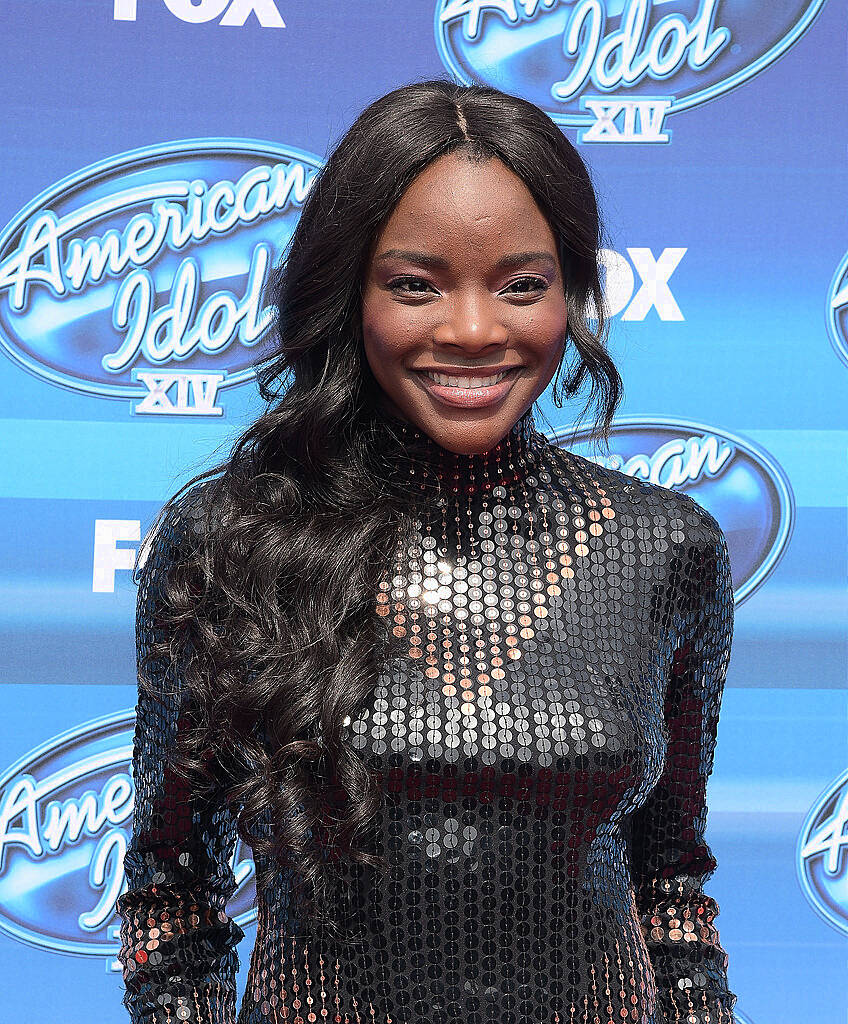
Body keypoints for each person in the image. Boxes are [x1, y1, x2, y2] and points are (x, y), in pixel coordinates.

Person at [115, 78, 738, 1024]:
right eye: (417, 284)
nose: (474, 331)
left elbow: (673, 893)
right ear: (347, 288)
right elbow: (172, 899)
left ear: (572, 293)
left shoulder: (665, 547)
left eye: (521, 285)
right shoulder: (230, 543)